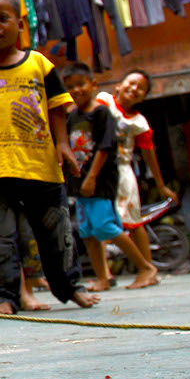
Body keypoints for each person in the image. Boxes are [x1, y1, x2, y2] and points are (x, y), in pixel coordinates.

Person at [0, 0, 100, 314]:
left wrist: (62, 144)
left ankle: (71, 287)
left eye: (3, 19)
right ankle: (3, 298)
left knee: (56, 233)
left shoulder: (39, 64)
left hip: (42, 166)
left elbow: (58, 108)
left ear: (20, 23)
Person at [62, 62, 159, 291]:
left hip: (100, 181)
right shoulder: (73, 115)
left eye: (81, 84)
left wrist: (92, 177)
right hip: (79, 183)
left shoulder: (102, 112)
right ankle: (102, 277)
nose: (77, 90)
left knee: (105, 227)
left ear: (93, 84)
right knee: (87, 231)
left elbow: (105, 147)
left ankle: (146, 268)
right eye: (71, 87)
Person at [96, 69, 177, 279]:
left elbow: (149, 154)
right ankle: (104, 274)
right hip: (97, 171)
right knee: (99, 219)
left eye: (141, 89)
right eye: (131, 83)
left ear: (143, 97)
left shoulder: (139, 122)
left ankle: (147, 269)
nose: (134, 89)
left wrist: (161, 185)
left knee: (133, 221)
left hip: (122, 173)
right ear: (118, 85)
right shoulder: (104, 101)